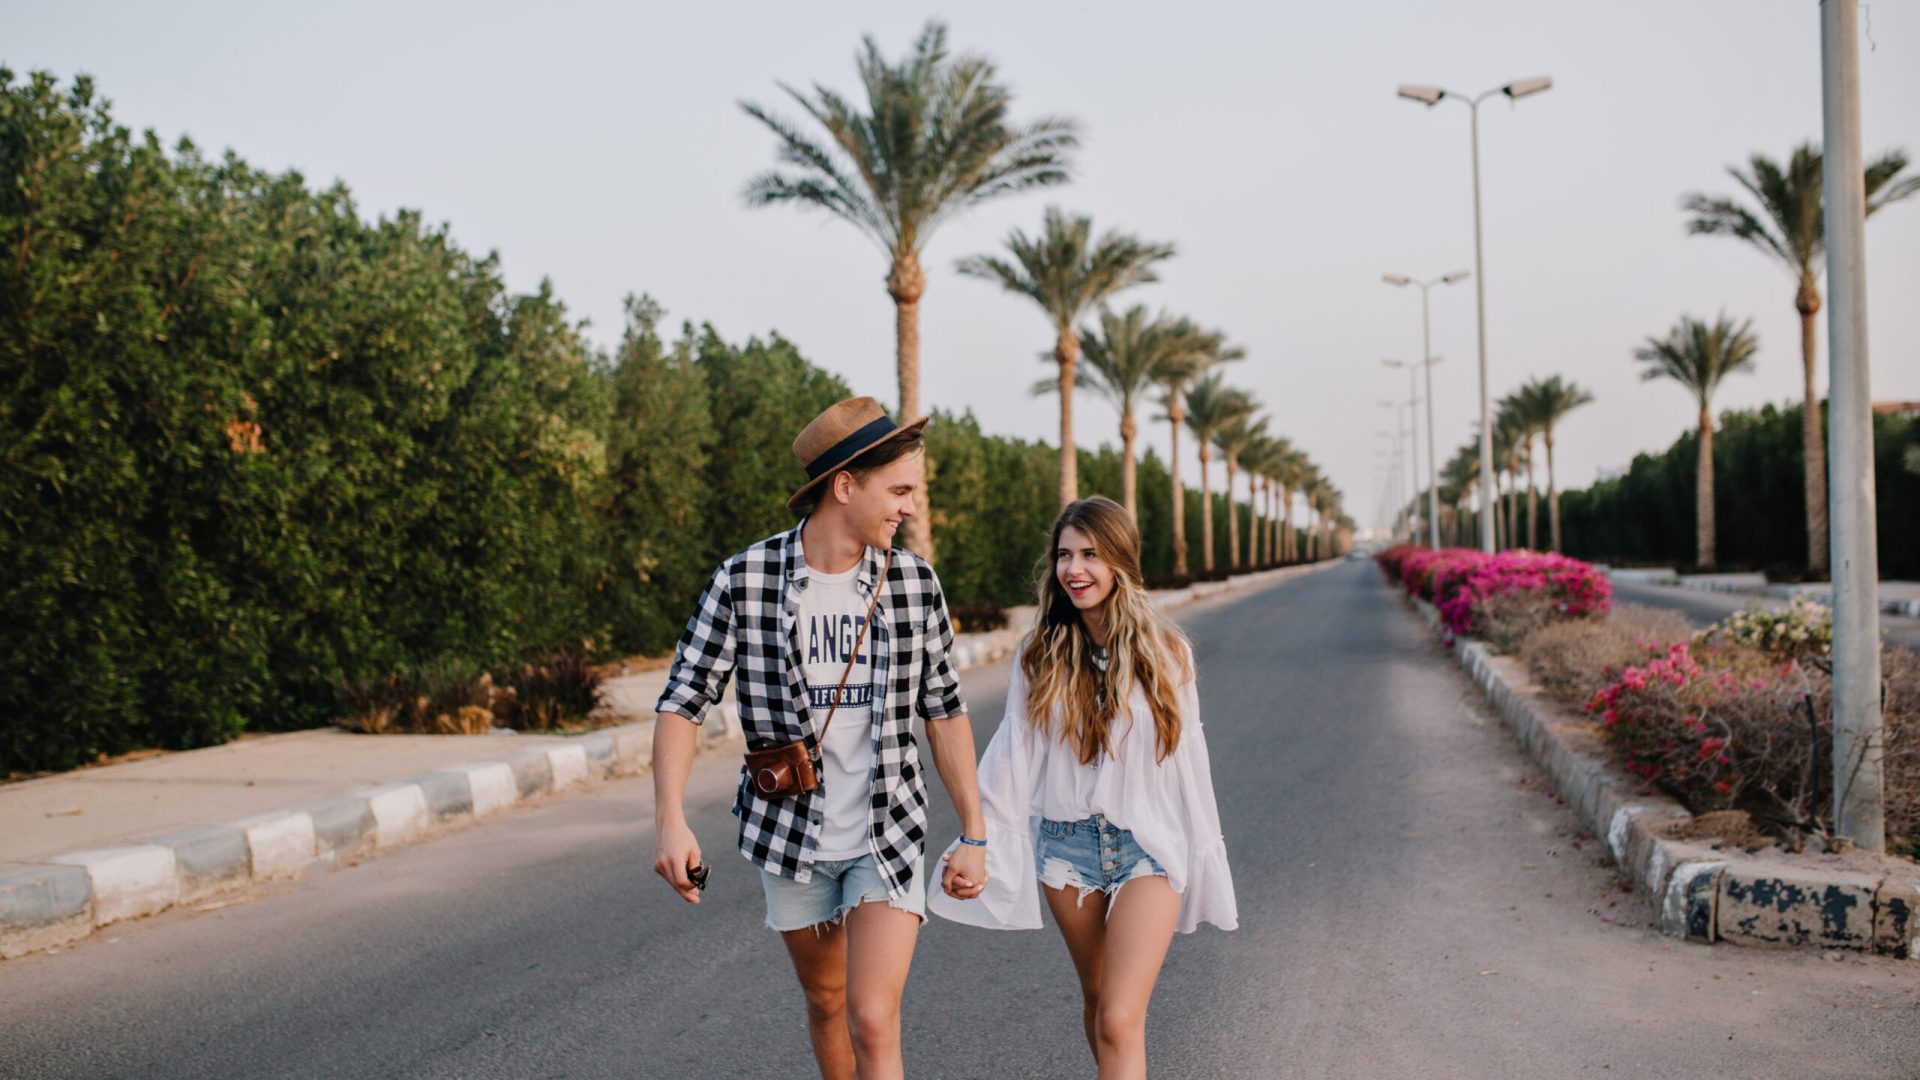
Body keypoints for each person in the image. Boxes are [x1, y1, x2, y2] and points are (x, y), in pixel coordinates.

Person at [650, 397, 989, 1080]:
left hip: (885, 833)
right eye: (898, 491)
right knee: (828, 1000)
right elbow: (684, 700)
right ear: (844, 486)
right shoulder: (744, 580)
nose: (909, 508)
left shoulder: (914, 585)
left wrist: (975, 833)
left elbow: (945, 710)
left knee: (872, 1017)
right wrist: (670, 822)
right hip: (790, 836)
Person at [928, 495, 1237, 1078]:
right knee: (1098, 1004)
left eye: (1091, 554)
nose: (1075, 569)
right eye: (1065, 554)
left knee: (1120, 1017)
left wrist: (1202, 856)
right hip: (1068, 852)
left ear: (1121, 561)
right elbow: (1012, 757)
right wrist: (977, 839)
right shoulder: (1039, 656)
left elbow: (1190, 765)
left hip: (1149, 846)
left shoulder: (1168, 655)